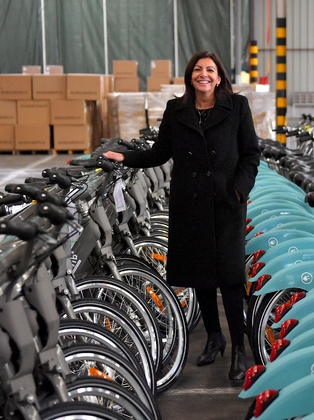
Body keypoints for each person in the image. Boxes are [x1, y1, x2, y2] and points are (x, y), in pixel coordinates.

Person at [103, 51, 260, 381]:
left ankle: (239, 350)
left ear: (219, 78)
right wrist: (123, 157)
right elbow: (159, 153)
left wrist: (238, 190)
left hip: (226, 203)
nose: (204, 74)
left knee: (230, 279)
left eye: (210, 70)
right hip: (191, 203)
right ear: (191, 77)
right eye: (198, 70)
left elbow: (251, 154)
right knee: (201, 274)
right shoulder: (177, 110)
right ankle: (214, 338)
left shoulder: (237, 107)